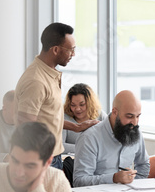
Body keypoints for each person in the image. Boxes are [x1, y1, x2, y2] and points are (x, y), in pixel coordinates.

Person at [14, 22, 97, 170]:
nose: (74, 54)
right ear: (56, 50)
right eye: (71, 50)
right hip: (42, 161)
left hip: (54, 156)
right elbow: (26, 128)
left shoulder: (49, 74)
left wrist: (77, 127)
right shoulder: (36, 81)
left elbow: (48, 117)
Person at [62, 83, 106, 154]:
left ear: (90, 103)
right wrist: (88, 149)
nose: (77, 109)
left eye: (82, 105)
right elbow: (60, 146)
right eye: (73, 105)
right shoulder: (64, 117)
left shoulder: (101, 116)